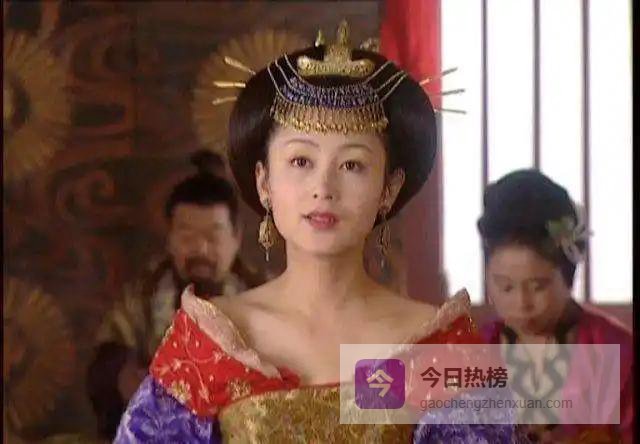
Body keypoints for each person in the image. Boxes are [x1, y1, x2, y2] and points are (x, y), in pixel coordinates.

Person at [115, 21, 526, 442]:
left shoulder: (442, 347)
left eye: (352, 165)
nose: (323, 189)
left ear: (389, 188)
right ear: (264, 182)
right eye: (301, 161)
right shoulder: (209, 344)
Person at [89, 150, 263, 440]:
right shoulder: (144, 298)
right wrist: (122, 377)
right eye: (187, 235)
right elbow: (107, 362)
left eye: (212, 236)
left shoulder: (263, 296)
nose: (200, 249)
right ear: (170, 238)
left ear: (236, 238)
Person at [478, 169, 633, 443]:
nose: (522, 304)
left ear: (568, 276)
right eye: (505, 287)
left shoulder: (615, 350)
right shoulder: (474, 348)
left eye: (538, 286)